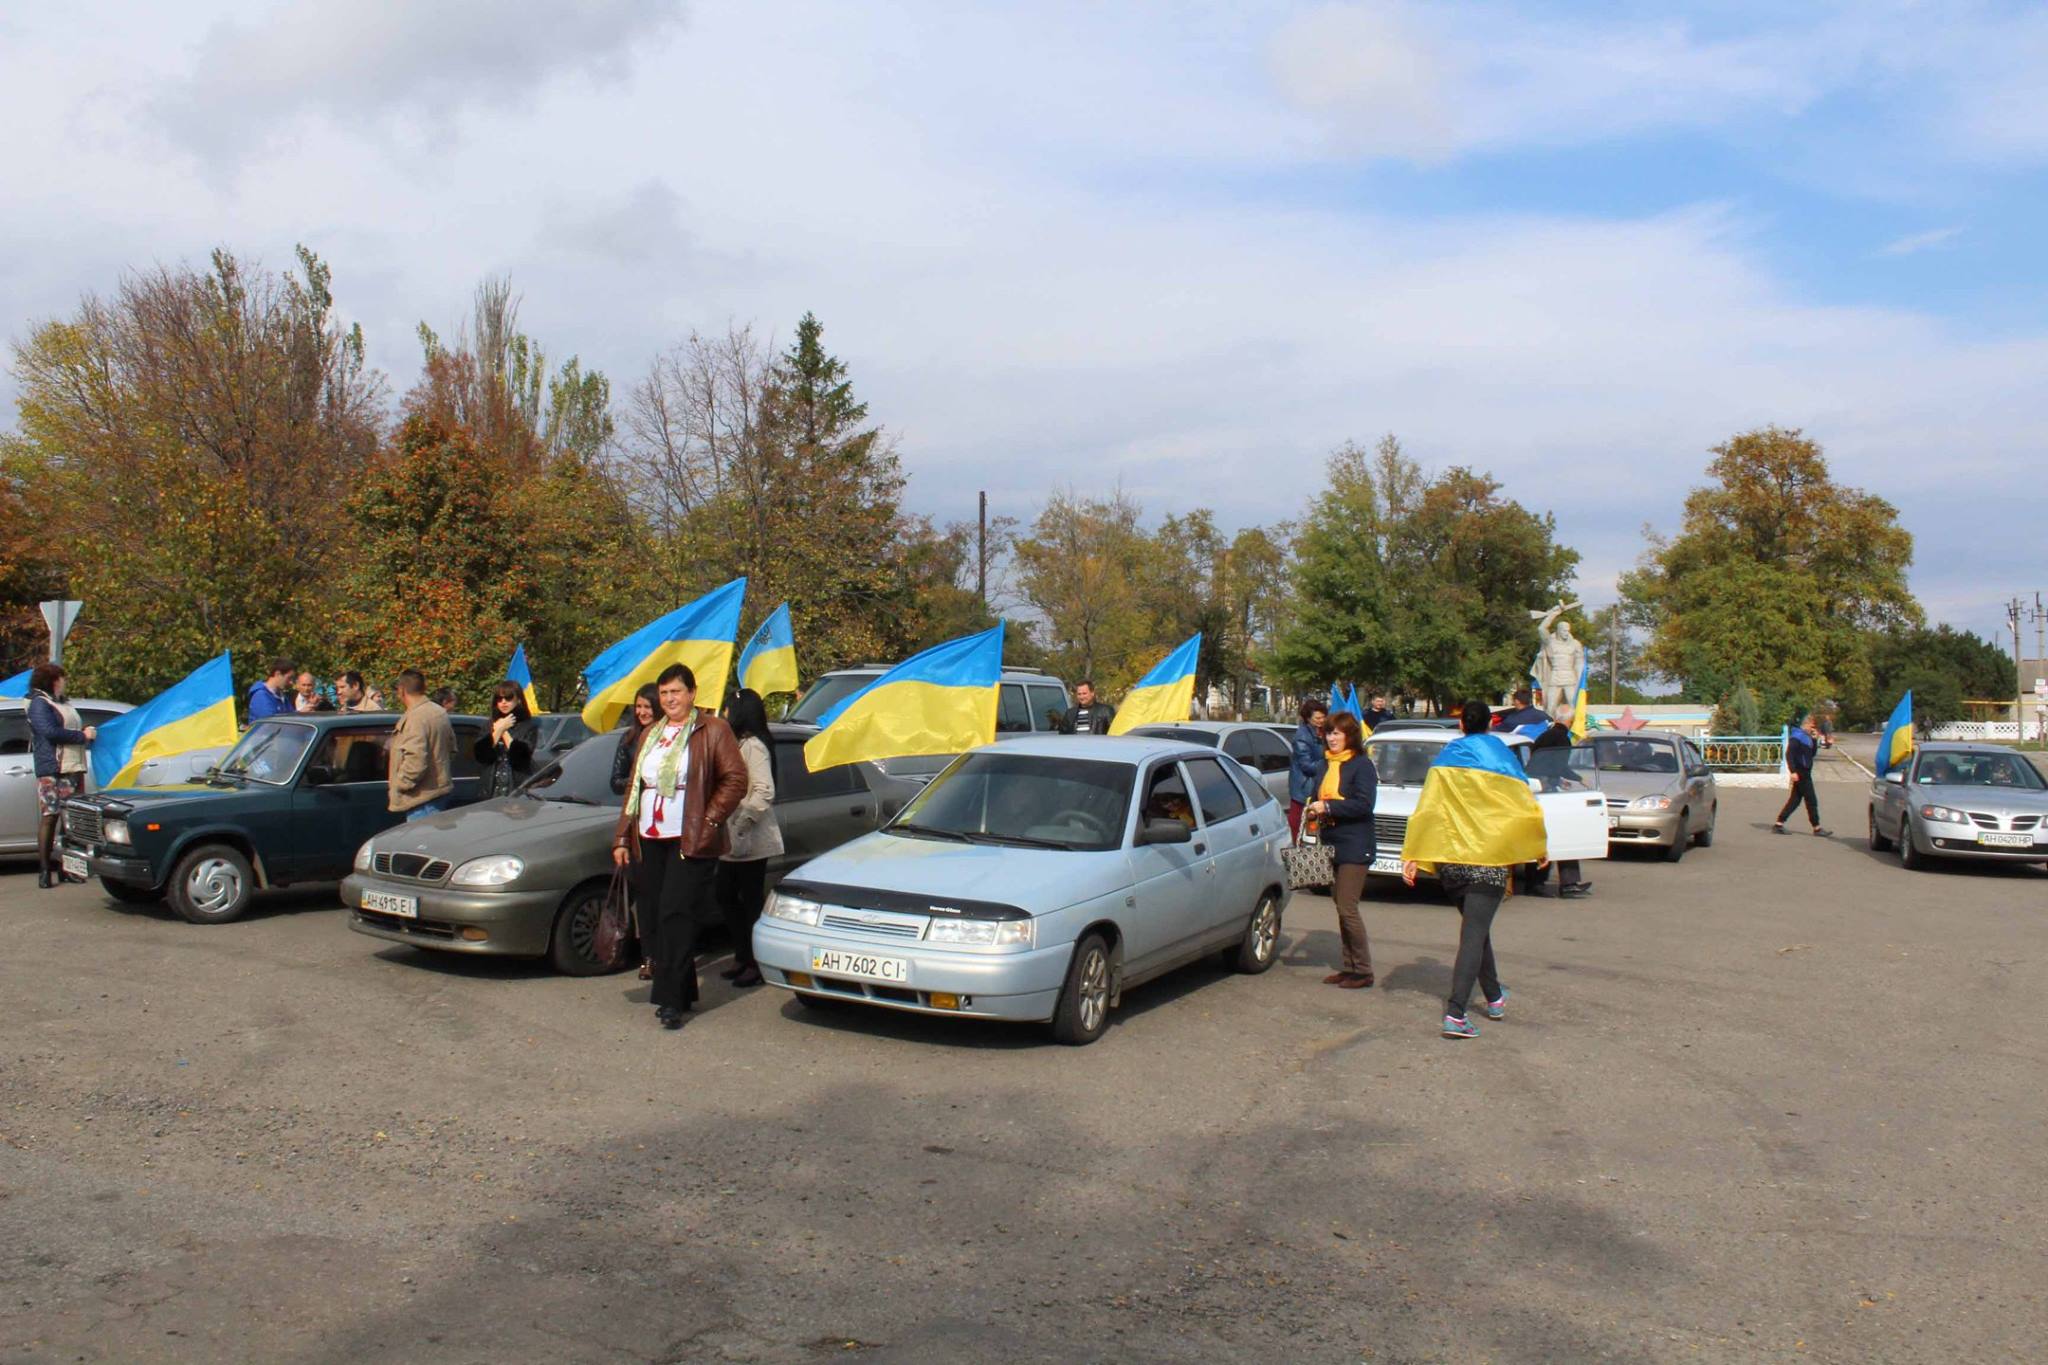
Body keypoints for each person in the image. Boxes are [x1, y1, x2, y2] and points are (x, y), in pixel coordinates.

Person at [611, 664, 748, 1031]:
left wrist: (711, 822)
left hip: (689, 837)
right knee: (657, 916)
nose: (670, 699)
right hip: (650, 836)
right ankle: (682, 989)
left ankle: (670, 1000)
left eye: (676, 692)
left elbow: (736, 779)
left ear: (691, 693)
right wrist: (623, 835)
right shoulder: (651, 734)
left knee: (676, 914)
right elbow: (634, 788)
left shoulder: (712, 729)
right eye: (665, 693)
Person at [1402, 700, 1548, 1040]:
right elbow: (1525, 806)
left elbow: (1428, 809)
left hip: (1451, 864)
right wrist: (1538, 845)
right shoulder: (1501, 756)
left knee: (1476, 930)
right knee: (1473, 935)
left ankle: (1494, 997)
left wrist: (1415, 854)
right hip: (1489, 862)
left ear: (1462, 726)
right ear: (1489, 725)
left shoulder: (1445, 759)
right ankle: (1456, 1013)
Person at [1303, 711, 1377, 988]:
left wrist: (1330, 806)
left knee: (1348, 907)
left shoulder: (1361, 765)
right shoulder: (1325, 764)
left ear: (1350, 736)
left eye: (1338, 733)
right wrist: (1314, 809)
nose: (1332, 738)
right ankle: (1350, 966)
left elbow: (1364, 804)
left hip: (1356, 843)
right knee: (1339, 905)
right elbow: (1316, 794)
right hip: (1330, 839)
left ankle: (1364, 970)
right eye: (1329, 733)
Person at [717, 688, 783, 990]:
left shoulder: (754, 746)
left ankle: (755, 961)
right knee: (726, 895)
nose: (724, 714)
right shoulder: (735, 743)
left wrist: (743, 822)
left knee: (750, 900)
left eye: (728, 709)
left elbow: (764, 791)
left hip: (750, 837)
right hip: (730, 836)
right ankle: (742, 954)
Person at [27, 663, 96, 889]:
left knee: (71, 820)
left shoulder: (63, 702)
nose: (65, 681)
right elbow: (50, 732)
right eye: (62, 678)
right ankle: (45, 870)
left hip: (73, 766)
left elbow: (67, 726)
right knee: (51, 816)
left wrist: (86, 732)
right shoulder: (39, 703)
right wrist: (81, 736)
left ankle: (69, 868)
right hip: (53, 769)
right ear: (53, 680)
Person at [1525, 703, 1591, 898]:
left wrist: (1558, 779)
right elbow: (1560, 765)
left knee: (1545, 838)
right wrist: (1580, 779)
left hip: (1537, 789)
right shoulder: (1562, 738)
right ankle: (1560, 883)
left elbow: (1542, 764)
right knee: (1560, 836)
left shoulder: (1544, 736)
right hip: (1547, 792)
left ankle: (1550, 882)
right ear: (1569, 721)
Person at [387, 670, 454, 822]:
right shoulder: (438, 712)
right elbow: (452, 749)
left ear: (401, 690)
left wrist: (400, 784)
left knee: (419, 844)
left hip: (421, 798)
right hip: (437, 792)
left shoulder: (416, 717)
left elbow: (416, 760)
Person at [474, 679, 537, 800]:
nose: (503, 703)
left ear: (518, 700)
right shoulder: (489, 724)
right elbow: (481, 756)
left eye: (508, 698)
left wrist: (505, 731)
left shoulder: (528, 725)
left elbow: (521, 759)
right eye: (499, 699)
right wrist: (498, 730)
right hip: (490, 790)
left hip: (517, 788)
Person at [1774, 714, 1830, 836]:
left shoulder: (1807, 737)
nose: (1812, 728)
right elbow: (1789, 754)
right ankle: (1817, 828)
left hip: (1806, 771)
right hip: (1801, 771)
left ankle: (1779, 823)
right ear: (1806, 724)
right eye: (1811, 726)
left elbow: (1812, 754)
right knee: (1811, 800)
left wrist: (1814, 740)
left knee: (1795, 800)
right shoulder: (1797, 736)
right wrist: (1792, 771)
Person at [1286, 698, 1328, 840]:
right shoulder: (1302, 736)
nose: (1321, 720)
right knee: (1300, 827)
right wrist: (1328, 761)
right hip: (1305, 788)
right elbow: (1307, 766)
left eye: (1323, 717)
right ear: (1308, 718)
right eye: (1318, 718)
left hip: (1319, 785)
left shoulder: (1322, 733)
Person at [610, 684, 662, 796]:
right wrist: (641, 779)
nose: (642, 712)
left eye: (647, 707)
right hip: (639, 807)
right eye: (638, 706)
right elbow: (616, 783)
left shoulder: (672, 735)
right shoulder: (629, 738)